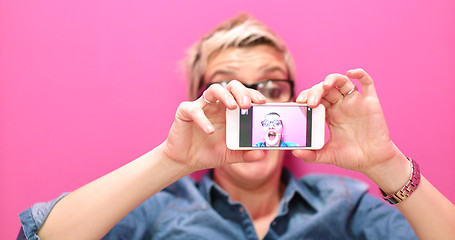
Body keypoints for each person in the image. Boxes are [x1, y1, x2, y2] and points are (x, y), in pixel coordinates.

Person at [18, 13, 455, 240]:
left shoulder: (348, 205)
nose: (255, 101)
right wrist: (171, 160)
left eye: (271, 84)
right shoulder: (155, 209)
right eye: (229, 86)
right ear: (201, 105)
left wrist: (388, 164)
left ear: (296, 101)